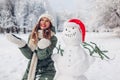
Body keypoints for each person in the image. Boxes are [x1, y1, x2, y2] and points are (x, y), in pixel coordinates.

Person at [6, 13, 57, 80]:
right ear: (39, 22)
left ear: (50, 24)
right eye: (42, 20)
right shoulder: (32, 35)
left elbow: (41, 56)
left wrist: (42, 47)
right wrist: (22, 45)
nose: (43, 22)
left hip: (47, 70)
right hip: (31, 68)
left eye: (47, 21)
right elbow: (29, 55)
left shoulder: (53, 38)